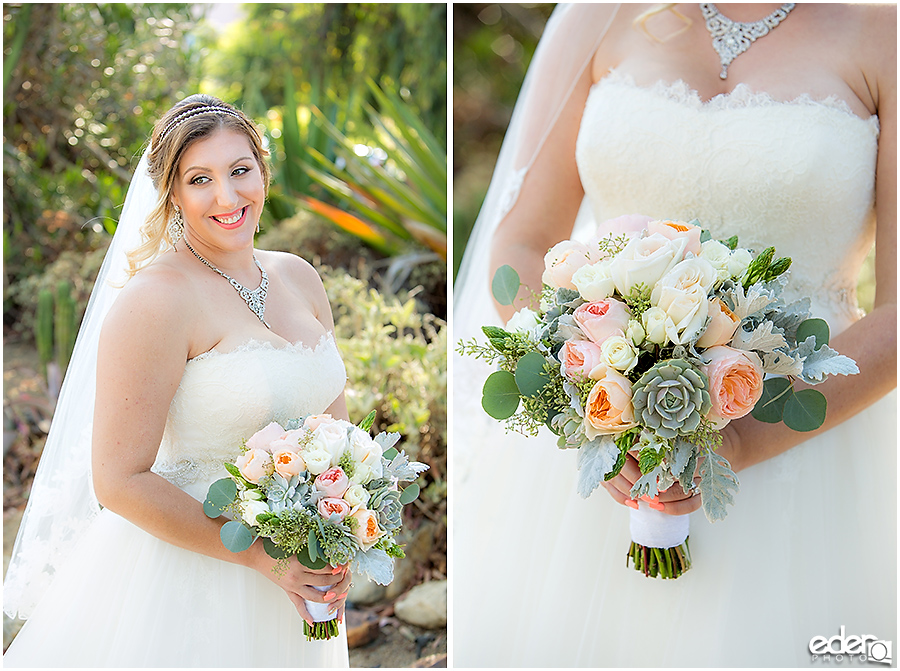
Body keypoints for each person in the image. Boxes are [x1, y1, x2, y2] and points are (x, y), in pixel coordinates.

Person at [453, 3, 895, 666]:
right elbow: (521, 239)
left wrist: (744, 438)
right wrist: (591, 396)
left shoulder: (883, 31)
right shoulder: (595, 18)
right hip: (599, 440)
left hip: (806, 436)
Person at [4, 95, 352, 667]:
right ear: (172, 192)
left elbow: (335, 432)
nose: (227, 196)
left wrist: (342, 534)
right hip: (194, 580)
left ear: (263, 170)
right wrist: (260, 557)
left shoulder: (299, 277)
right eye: (200, 179)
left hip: (301, 569)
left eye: (240, 170)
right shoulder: (157, 300)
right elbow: (117, 479)